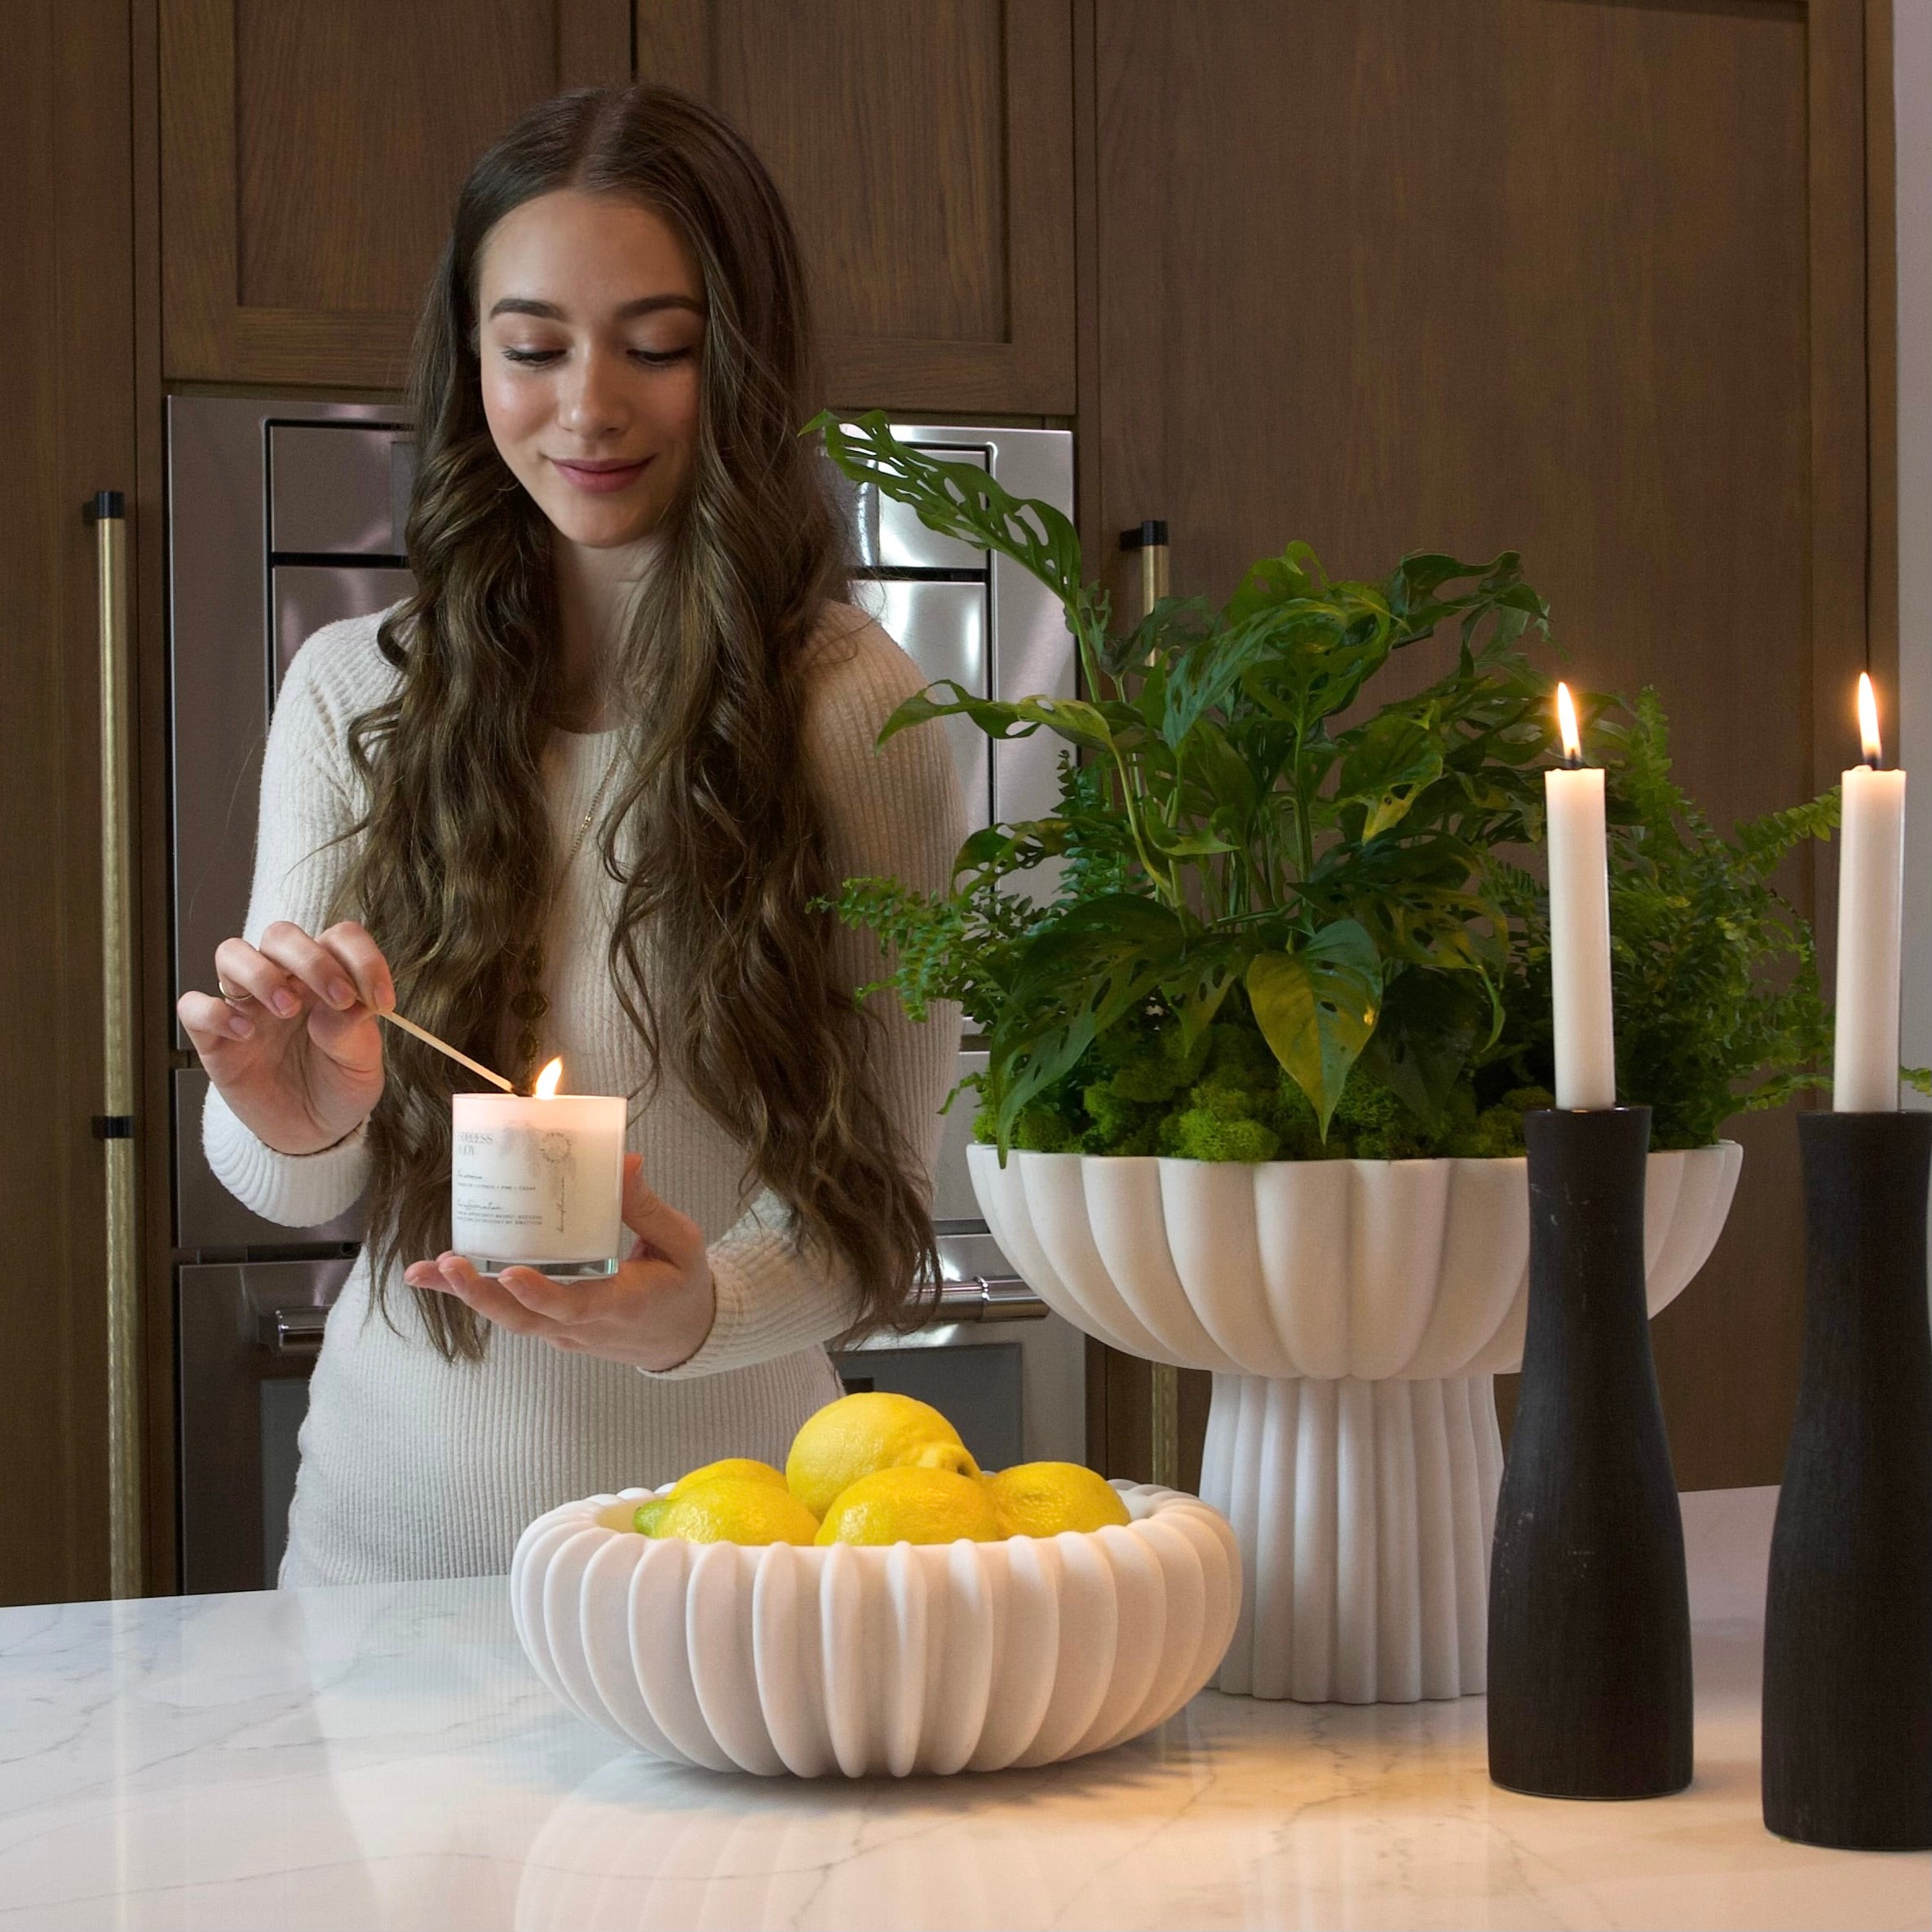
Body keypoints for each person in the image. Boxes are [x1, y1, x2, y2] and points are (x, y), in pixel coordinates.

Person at [175, 85, 965, 1584]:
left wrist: (699, 1309)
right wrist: (296, 1111)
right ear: (471, 356)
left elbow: (873, 1206)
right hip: (379, 1566)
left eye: (655, 347)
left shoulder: (852, 709)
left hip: (727, 1566)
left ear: (737, 361)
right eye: (532, 348)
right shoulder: (355, 690)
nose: (588, 406)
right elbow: (291, 1183)